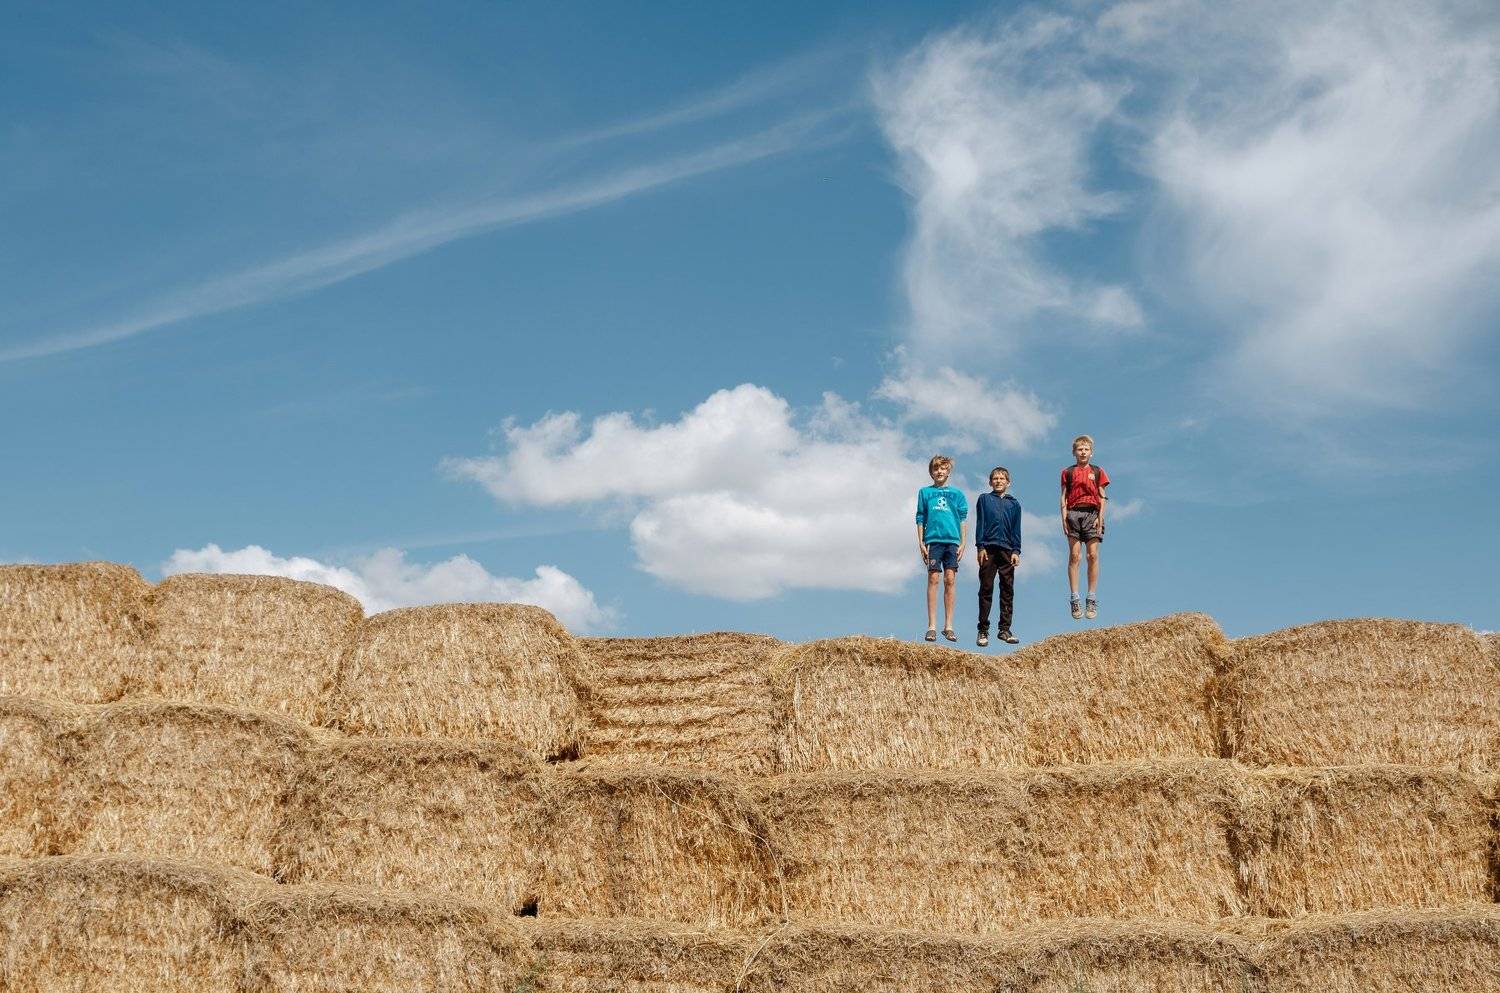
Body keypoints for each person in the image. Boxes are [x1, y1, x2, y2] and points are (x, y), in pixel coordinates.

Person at [915, 454, 967, 642]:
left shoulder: (957, 494)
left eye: (943, 468)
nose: (939, 471)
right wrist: (921, 542)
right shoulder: (925, 492)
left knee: (950, 579)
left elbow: (963, 519)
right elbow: (920, 517)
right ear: (931, 472)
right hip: (933, 540)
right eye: (936, 468)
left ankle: (949, 626)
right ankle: (932, 626)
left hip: (952, 541)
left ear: (948, 471)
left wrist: (963, 543)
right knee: (933, 578)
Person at [1060, 435, 1109, 620]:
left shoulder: (1098, 471)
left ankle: (1091, 597)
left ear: (1091, 452)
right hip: (1073, 513)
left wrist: (1100, 518)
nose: (1083, 452)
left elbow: (1102, 497)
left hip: (1092, 513)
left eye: (1086, 449)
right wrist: (1064, 518)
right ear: (1074, 452)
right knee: (1075, 556)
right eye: (1080, 449)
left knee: (1092, 555)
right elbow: (1063, 497)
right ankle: (1075, 598)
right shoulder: (1067, 472)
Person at [974, 467, 1021, 646]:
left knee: (1007, 589)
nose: (999, 481)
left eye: (1002, 478)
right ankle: (983, 630)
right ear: (990, 482)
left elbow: (1016, 529)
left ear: (1008, 482)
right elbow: (980, 523)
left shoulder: (1014, 504)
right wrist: (980, 546)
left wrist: (1016, 550)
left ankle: (1004, 630)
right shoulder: (984, 499)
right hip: (988, 549)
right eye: (995, 478)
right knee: (986, 588)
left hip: (1007, 550)